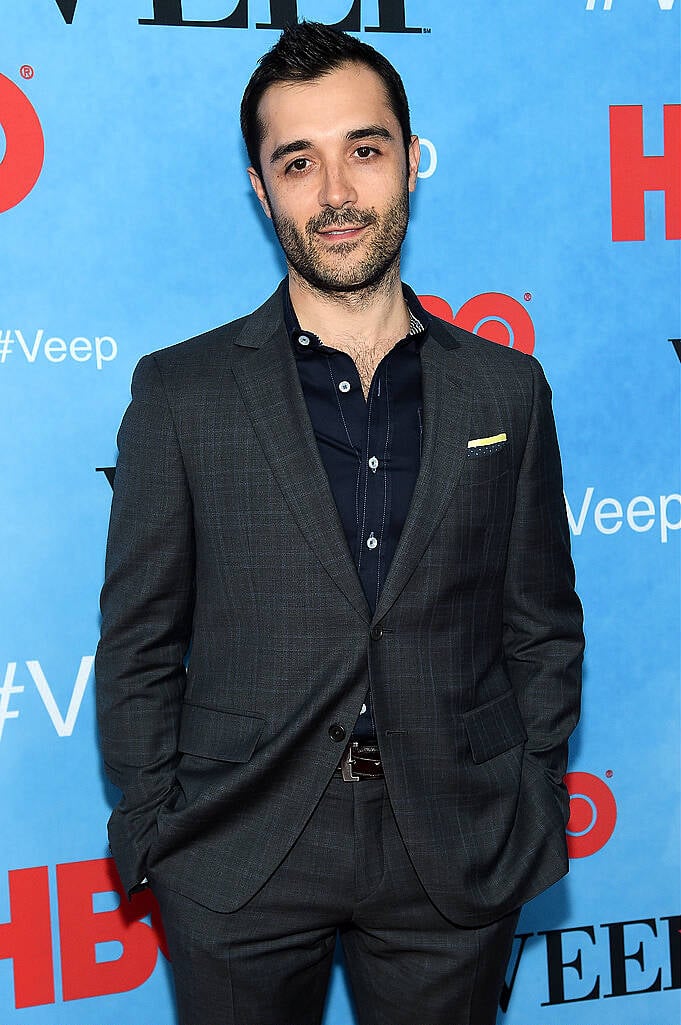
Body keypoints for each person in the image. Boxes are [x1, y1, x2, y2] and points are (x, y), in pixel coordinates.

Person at [95, 21, 584, 1025]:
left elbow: (541, 623)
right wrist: (158, 831)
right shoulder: (181, 393)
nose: (335, 194)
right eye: (298, 162)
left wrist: (525, 790)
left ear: (410, 158)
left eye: (363, 149)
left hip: (453, 848)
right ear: (261, 186)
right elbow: (140, 643)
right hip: (239, 856)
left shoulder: (507, 389)